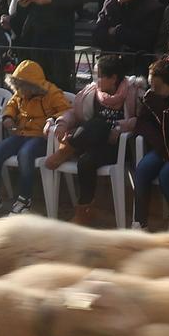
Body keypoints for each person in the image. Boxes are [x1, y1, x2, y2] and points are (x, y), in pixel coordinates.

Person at [35, 52, 144, 225]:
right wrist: (62, 123)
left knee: (100, 124)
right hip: (91, 144)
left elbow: (139, 120)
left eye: (100, 76)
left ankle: (67, 149)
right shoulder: (92, 93)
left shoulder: (132, 93)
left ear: (113, 78)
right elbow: (74, 114)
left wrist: (118, 126)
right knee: (86, 161)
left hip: (117, 147)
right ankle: (83, 212)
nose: (96, 79)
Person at [0, 59, 68, 218]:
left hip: (41, 137)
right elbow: (11, 106)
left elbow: (67, 110)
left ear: (32, 85)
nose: (19, 89)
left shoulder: (52, 92)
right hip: (21, 133)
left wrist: (52, 119)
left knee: (25, 155)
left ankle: (24, 198)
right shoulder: (20, 92)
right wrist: (8, 117)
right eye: (17, 85)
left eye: (22, 85)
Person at [130, 58, 169, 229]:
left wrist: (157, 106)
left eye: (157, 87)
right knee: (142, 170)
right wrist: (162, 147)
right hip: (163, 148)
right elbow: (142, 125)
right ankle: (140, 222)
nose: (152, 91)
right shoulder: (152, 98)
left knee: (167, 175)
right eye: (151, 86)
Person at [94, 0, 163, 59]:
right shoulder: (110, 4)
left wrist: (117, 31)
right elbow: (97, 35)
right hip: (110, 60)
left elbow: (145, 41)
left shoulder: (153, 9)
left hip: (138, 62)